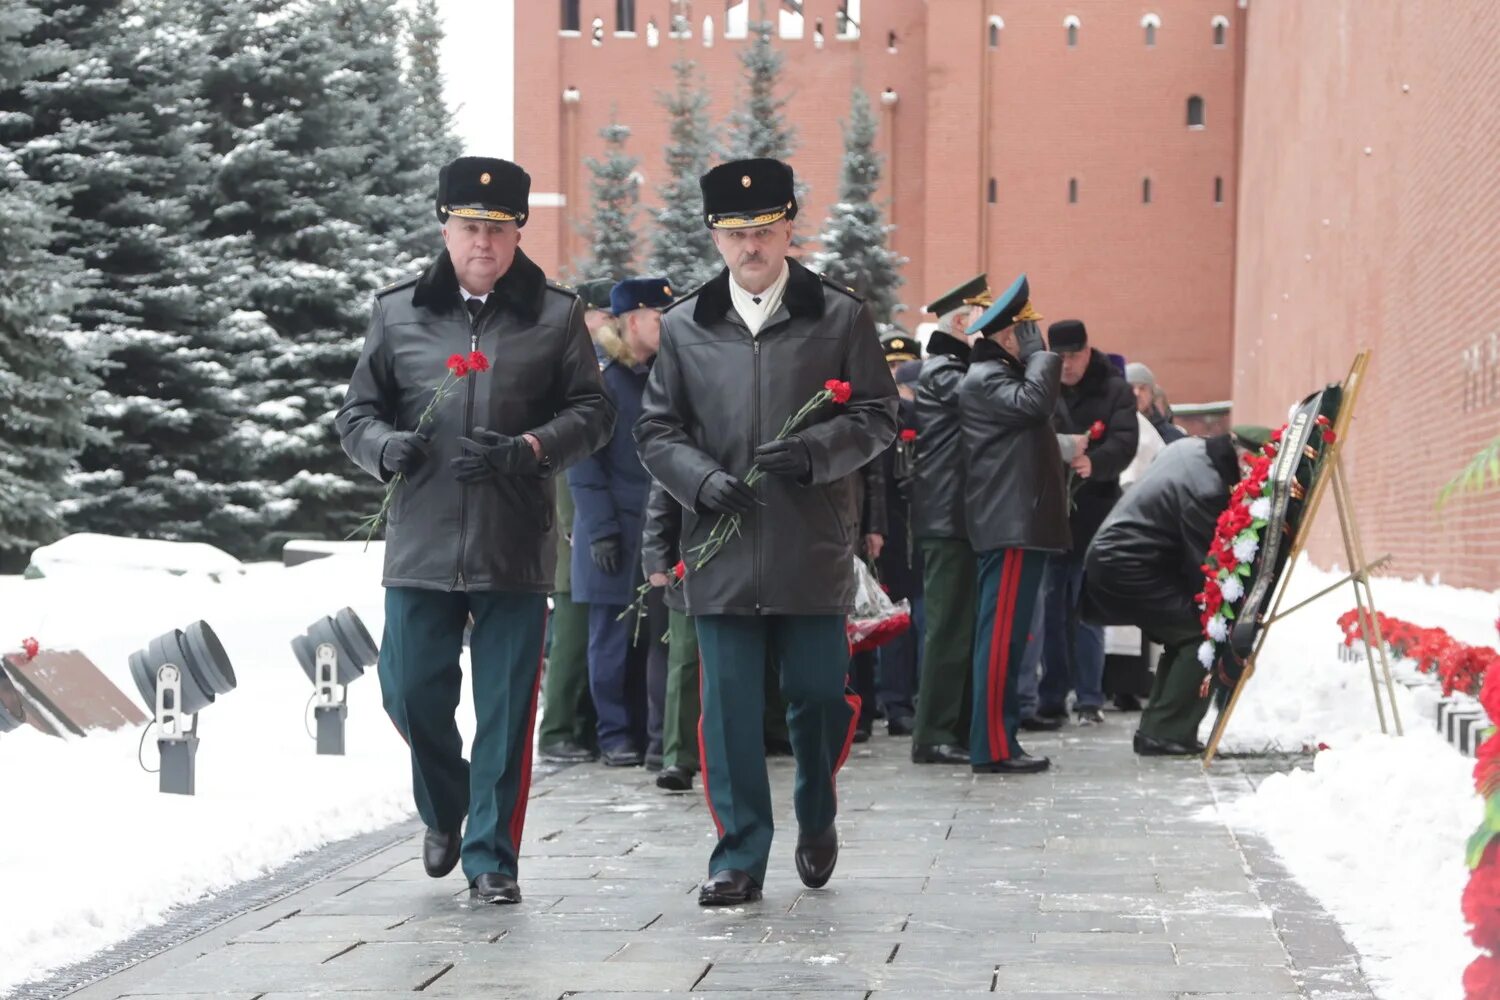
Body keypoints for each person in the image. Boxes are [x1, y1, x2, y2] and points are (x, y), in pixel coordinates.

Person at [336, 156, 613, 905]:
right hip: (422, 543)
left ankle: (492, 857)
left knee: (505, 710)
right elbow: (356, 414)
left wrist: (530, 450)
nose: (482, 242)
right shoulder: (398, 312)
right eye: (469, 227)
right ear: (445, 228)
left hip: (512, 543)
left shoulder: (556, 316)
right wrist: (382, 448)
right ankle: (447, 805)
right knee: (407, 692)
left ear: (518, 232)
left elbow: (593, 413)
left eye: (497, 229)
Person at [636, 157, 898, 905]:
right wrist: (697, 478)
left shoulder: (839, 315)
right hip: (720, 551)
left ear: (789, 227)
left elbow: (879, 415)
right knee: (728, 710)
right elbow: (655, 429)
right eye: (735, 232)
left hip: (809, 546)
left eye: (764, 229)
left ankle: (817, 812)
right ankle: (739, 855)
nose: (751, 246)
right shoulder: (685, 326)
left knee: (818, 697)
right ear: (715, 237)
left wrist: (816, 452)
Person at [1085, 427, 1270, 755]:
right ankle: (1166, 733)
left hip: (1118, 557)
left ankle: (1157, 728)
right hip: (1128, 565)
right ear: (1244, 459)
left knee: (1182, 631)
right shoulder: (1208, 487)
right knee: (1203, 635)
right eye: (1258, 471)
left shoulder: (1190, 449)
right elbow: (1205, 567)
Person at [958, 274, 1068, 775]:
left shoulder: (999, 376)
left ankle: (1000, 739)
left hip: (1017, 524)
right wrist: (1041, 357)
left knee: (1008, 637)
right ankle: (994, 746)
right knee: (1000, 639)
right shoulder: (986, 379)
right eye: (1026, 332)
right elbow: (1035, 404)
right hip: (1009, 526)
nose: (1033, 340)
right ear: (1008, 336)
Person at [567, 277, 674, 768]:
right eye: (658, 317)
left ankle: (639, 728)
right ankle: (613, 734)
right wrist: (603, 530)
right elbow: (585, 465)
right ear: (633, 320)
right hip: (613, 531)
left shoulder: (658, 378)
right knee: (611, 640)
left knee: (646, 638)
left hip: (651, 531)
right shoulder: (605, 383)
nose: (665, 326)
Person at [1035, 320, 1138, 726]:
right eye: (1059, 357)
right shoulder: (1042, 385)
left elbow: (1124, 439)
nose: (1068, 364)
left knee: (1087, 611)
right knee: (1050, 610)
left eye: (1074, 355)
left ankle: (1090, 698)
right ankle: (1052, 695)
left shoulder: (1113, 388)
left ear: (1088, 350)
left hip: (1094, 513)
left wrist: (1097, 462)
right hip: (1050, 516)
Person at [909, 275, 989, 764]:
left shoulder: (953, 366)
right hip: (947, 516)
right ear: (963, 323)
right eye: (983, 317)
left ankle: (952, 729)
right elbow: (987, 404)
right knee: (948, 627)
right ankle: (934, 732)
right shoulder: (942, 370)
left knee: (961, 624)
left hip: (958, 515)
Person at [537, 278, 616, 763]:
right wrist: (570, 520)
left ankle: (580, 724)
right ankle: (558, 728)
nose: (610, 326)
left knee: (589, 625)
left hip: (583, 514)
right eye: (604, 317)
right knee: (571, 624)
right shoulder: (566, 369)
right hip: (571, 516)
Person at [640, 482, 698, 791]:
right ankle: (678, 757)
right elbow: (663, 488)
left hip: (747, 561)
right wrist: (655, 555)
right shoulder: (685, 431)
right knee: (683, 660)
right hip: (688, 560)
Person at [1125, 362, 1186, 444]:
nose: (1137, 393)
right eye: (1131, 387)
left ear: (1152, 393)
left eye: (1142, 388)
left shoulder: (1173, 438)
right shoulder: (1108, 432)